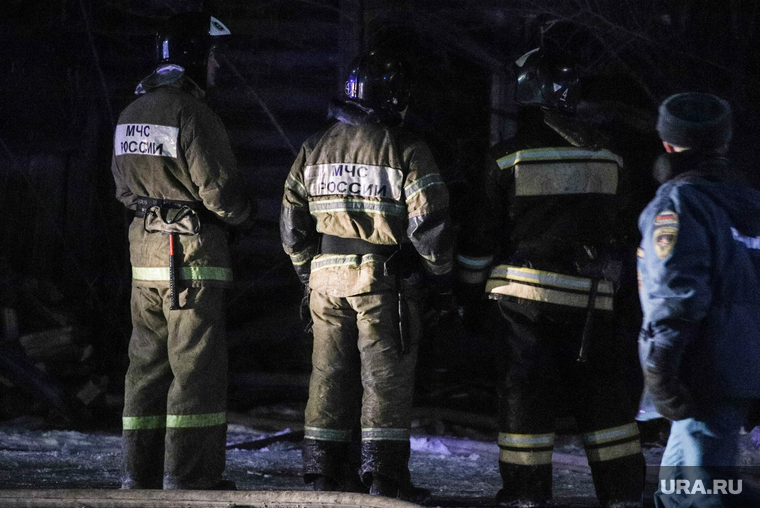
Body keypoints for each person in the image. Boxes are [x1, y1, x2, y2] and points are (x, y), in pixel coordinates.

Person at [455, 21, 648, 508]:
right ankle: (623, 493)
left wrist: (465, 291)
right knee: (605, 404)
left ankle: (526, 496)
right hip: (591, 302)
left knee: (525, 401)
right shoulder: (611, 160)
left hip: (524, 302)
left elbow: (481, 238)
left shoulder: (505, 159)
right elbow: (624, 228)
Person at [280, 48, 454, 501]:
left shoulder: (314, 146)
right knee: (385, 377)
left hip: (324, 279)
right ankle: (383, 475)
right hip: (381, 280)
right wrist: (439, 275)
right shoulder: (407, 147)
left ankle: (321, 470)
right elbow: (430, 221)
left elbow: (291, 222)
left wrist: (306, 273)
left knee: (327, 374)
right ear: (394, 97)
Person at [110, 12, 255, 490]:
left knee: (145, 369)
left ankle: (139, 472)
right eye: (214, 55)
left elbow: (125, 193)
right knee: (196, 370)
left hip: (143, 261)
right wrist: (242, 217)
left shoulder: (130, 114)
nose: (218, 66)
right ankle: (190, 475)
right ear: (194, 56)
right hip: (189, 261)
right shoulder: (193, 114)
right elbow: (221, 194)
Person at [638, 92, 760, 508]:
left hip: (703, 368)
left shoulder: (680, 202)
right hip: (743, 366)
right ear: (723, 142)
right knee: (677, 491)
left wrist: (662, 363)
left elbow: (675, 292)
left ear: (668, 144)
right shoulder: (750, 203)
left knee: (707, 492)